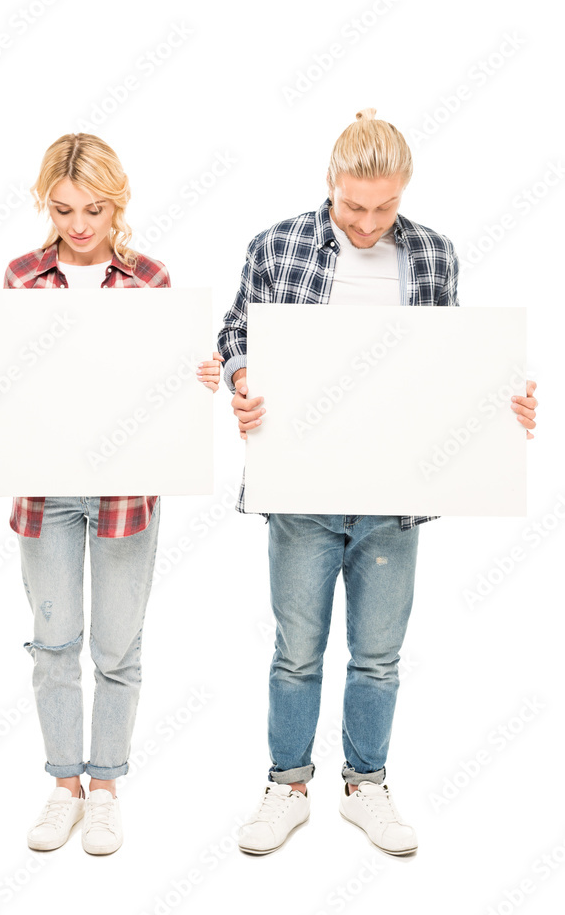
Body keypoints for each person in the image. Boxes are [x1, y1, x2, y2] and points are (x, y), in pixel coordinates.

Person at [217, 108, 538, 857]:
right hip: (300, 488)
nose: (365, 223)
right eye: (351, 205)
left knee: (377, 656)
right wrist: (241, 379)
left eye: (383, 207)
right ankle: (286, 785)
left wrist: (503, 403)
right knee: (296, 650)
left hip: (392, 493)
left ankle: (366, 786)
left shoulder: (431, 255)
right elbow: (235, 333)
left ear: (404, 193)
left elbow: (449, 361)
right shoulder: (277, 244)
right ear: (329, 184)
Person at [0, 133, 222, 856]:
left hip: (126, 494)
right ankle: (64, 786)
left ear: (117, 204)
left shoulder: (150, 278)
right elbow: (2, 389)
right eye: (63, 210)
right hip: (45, 494)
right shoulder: (22, 276)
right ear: (44, 205)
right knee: (54, 645)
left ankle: (107, 790)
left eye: (94, 209)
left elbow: (160, 389)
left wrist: (198, 382)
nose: (80, 225)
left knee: (117, 649)